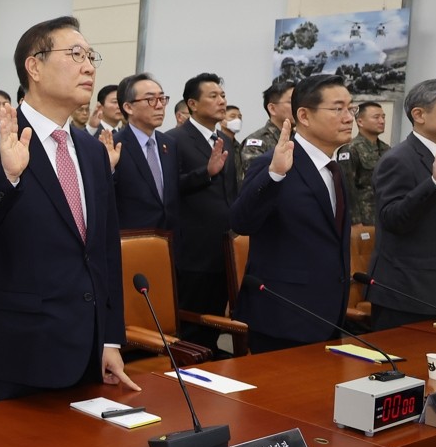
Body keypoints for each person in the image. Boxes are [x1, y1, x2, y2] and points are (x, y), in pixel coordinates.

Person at [0, 16, 137, 405]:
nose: (89, 67)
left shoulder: (92, 152)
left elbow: (103, 251)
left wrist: (110, 339)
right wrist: (6, 177)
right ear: (34, 66)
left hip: (86, 353)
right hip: (16, 358)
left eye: (91, 57)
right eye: (76, 54)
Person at [230, 74, 353, 353]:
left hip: (329, 314)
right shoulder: (273, 163)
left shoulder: (335, 169)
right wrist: (274, 175)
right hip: (283, 317)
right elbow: (241, 222)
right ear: (304, 116)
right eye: (338, 109)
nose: (349, 118)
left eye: (351, 108)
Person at [366, 78, 436, 330]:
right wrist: (435, 184)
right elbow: (393, 219)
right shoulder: (398, 159)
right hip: (408, 295)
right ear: (419, 114)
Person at [166, 72, 236, 352]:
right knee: (190, 325)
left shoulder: (226, 141)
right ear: (192, 104)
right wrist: (205, 173)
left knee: (214, 322)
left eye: (223, 95)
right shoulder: (173, 140)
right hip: (193, 251)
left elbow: (231, 192)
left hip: (224, 247)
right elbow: (169, 188)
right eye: (213, 96)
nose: (222, 101)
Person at [111, 73, 219, 237]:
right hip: (132, 240)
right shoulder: (113, 145)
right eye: (151, 100)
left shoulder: (168, 143)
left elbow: (174, 187)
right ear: (128, 107)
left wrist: (207, 172)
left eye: (162, 99)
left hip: (169, 237)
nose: (160, 105)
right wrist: (109, 169)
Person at [341, 101, 390, 225]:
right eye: (376, 117)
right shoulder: (350, 149)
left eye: (383, 117)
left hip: (385, 214)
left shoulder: (387, 149)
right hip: (364, 218)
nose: (382, 121)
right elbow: (347, 187)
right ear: (360, 122)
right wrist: (355, 221)